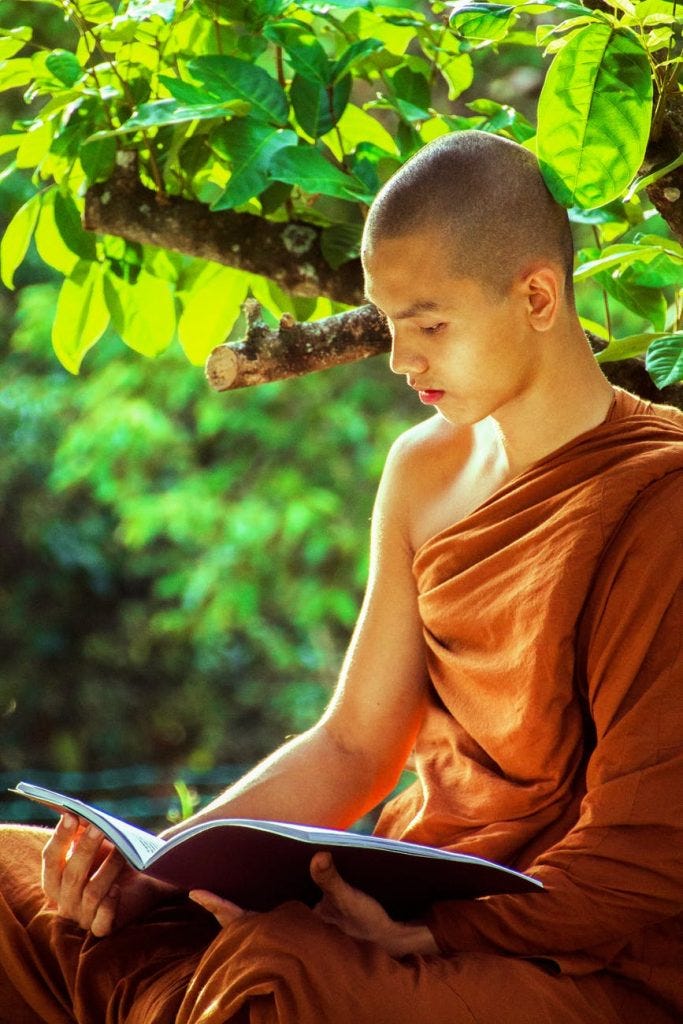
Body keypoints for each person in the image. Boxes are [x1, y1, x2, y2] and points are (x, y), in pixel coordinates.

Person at [1, 131, 681, 1024]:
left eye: (430, 324)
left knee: (276, 973)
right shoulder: (423, 470)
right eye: (389, 323)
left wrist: (438, 936)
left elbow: (646, 851)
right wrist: (157, 869)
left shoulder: (657, 497)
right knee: (20, 891)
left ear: (537, 296)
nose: (403, 360)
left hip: (561, 955)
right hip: (393, 908)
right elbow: (355, 744)